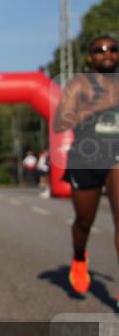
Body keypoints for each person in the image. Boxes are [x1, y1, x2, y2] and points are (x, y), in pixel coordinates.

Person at [54, 34, 119, 303]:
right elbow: (60, 122)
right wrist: (98, 106)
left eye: (113, 49)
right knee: (84, 221)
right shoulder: (79, 84)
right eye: (100, 50)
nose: (108, 53)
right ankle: (79, 257)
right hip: (86, 158)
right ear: (90, 57)